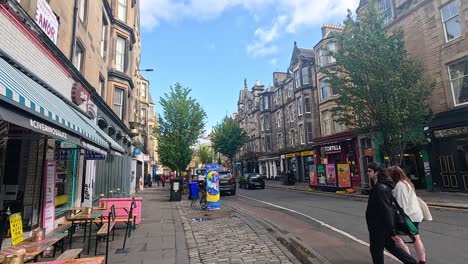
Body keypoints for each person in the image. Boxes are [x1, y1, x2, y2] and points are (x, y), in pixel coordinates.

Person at [365, 163, 417, 264]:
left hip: (379, 227)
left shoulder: (380, 188)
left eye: (370, 171)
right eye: (367, 171)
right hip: (380, 225)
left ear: (377, 173)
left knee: (376, 251)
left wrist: (392, 231)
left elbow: (386, 210)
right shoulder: (379, 187)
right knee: (392, 248)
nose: (368, 173)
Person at [387, 166, 426, 264]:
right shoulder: (406, 182)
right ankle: (422, 261)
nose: (387, 177)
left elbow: (401, 204)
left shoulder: (400, 186)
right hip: (413, 216)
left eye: (388, 175)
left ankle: (408, 260)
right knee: (416, 238)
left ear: (393, 175)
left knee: (394, 236)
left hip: (408, 217)